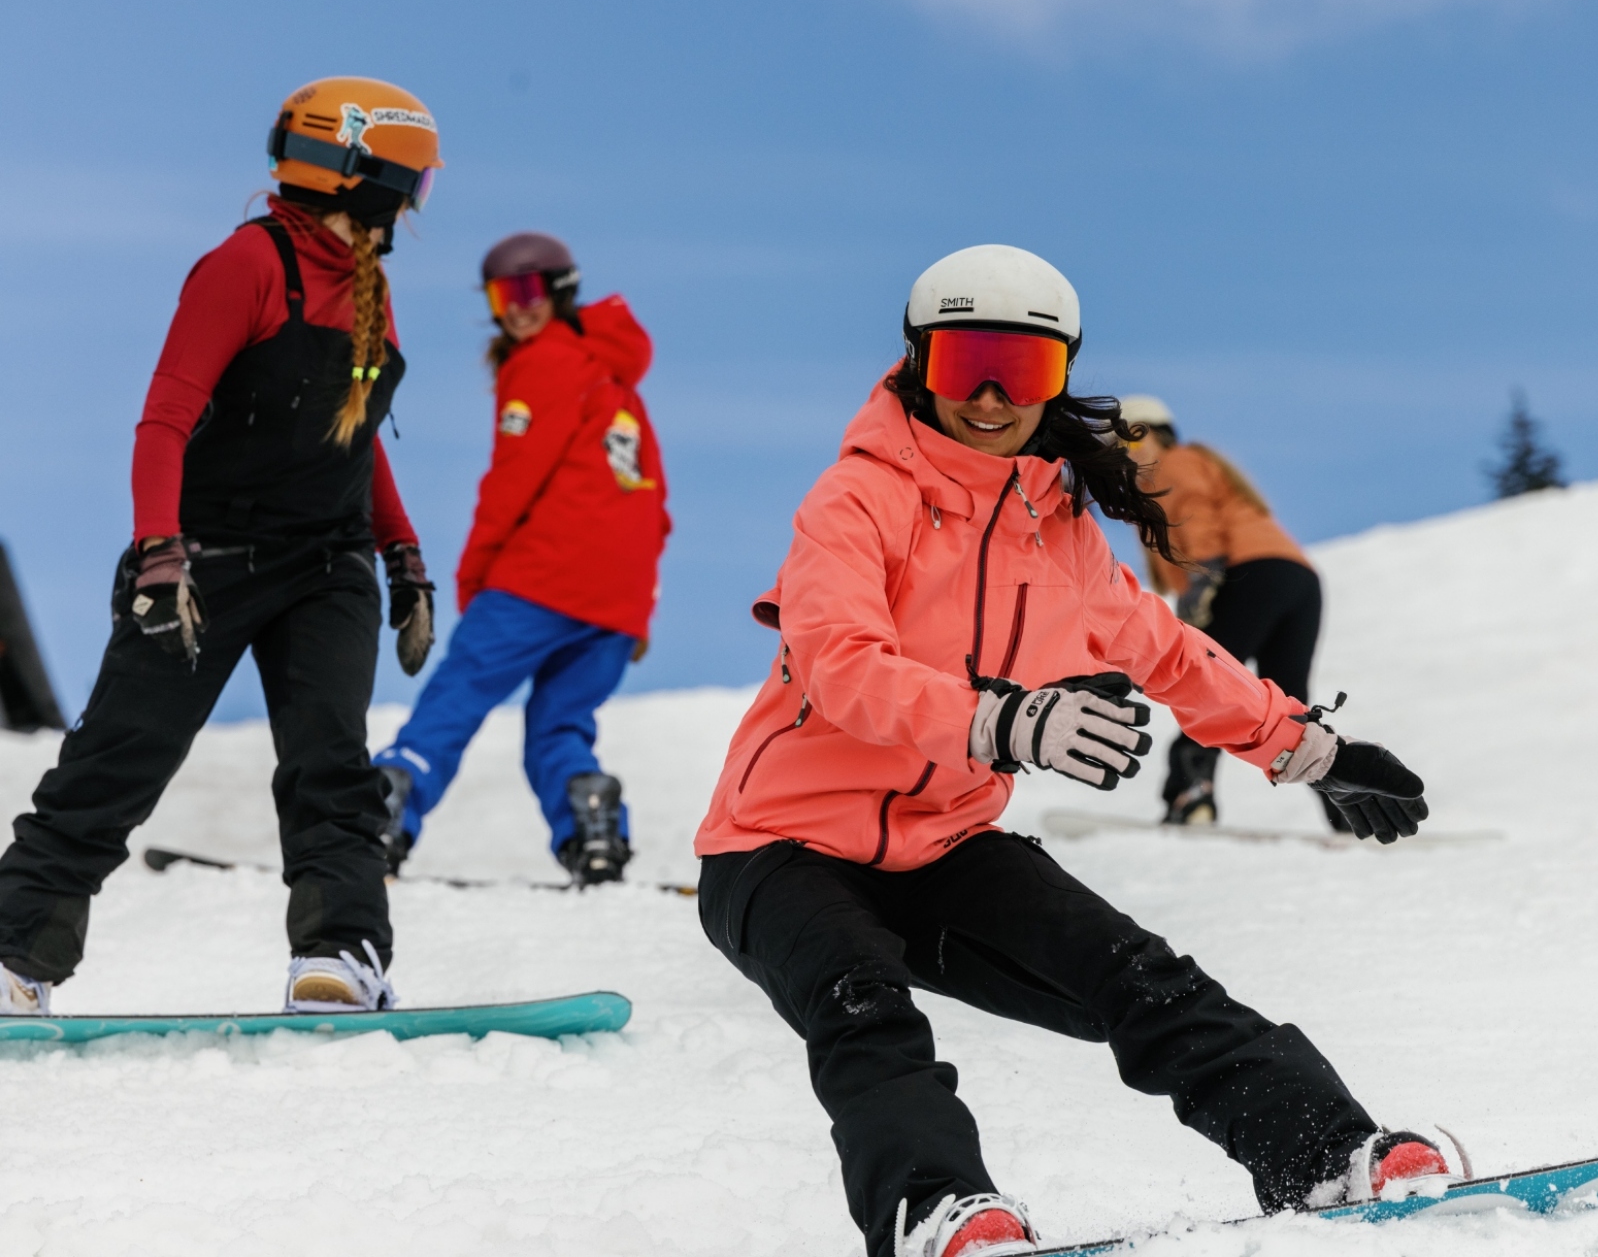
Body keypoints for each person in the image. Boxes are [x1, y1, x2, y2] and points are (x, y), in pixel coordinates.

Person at [694, 245, 1442, 1257]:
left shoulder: (1058, 532)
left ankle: (1325, 1155)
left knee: (1139, 976)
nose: (995, 396)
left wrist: (1305, 749)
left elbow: (1170, 652)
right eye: (968, 366)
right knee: (864, 1011)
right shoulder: (857, 500)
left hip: (942, 848)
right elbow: (839, 663)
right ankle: (935, 1215)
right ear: (921, 363)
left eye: (1029, 371)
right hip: (776, 850)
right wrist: (1002, 722)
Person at [0, 77, 444, 1016]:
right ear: (361, 174)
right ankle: (14, 954)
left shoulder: (370, 288)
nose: (414, 204)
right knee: (119, 759)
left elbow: (355, 444)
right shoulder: (244, 266)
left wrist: (401, 556)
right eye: (411, 182)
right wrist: (160, 554)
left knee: (330, 762)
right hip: (207, 560)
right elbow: (164, 421)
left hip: (327, 566)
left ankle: (339, 956)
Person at [372, 233, 667, 885]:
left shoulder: (540, 364)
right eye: (503, 295)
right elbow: (651, 496)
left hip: (540, 579)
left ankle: (379, 819)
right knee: (560, 726)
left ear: (561, 291)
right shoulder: (616, 379)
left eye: (529, 291)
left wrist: (474, 579)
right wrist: (636, 607)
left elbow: (510, 483)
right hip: (613, 599)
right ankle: (593, 828)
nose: (516, 309)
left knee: (454, 701)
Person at [1116, 396, 1337, 830]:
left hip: (1247, 575)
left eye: (1136, 438)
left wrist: (1202, 577)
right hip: (1297, 579)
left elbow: (1194, 511)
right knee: (1294, 710)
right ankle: (1350, 806)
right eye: (1120, 446)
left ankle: (1190, 797)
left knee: (1209, 689)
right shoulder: (1195, 465)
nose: (1130, 452)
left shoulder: (1174, 464)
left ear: (1160, 435)